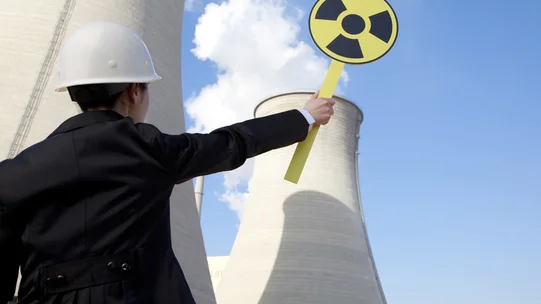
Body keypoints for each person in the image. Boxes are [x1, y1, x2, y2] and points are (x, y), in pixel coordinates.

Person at [0, 21, 335, 304]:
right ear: (134, 90)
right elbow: (231, 143)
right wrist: (304, 116)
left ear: (73, 92)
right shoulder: (147, 148)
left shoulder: (12, 175)